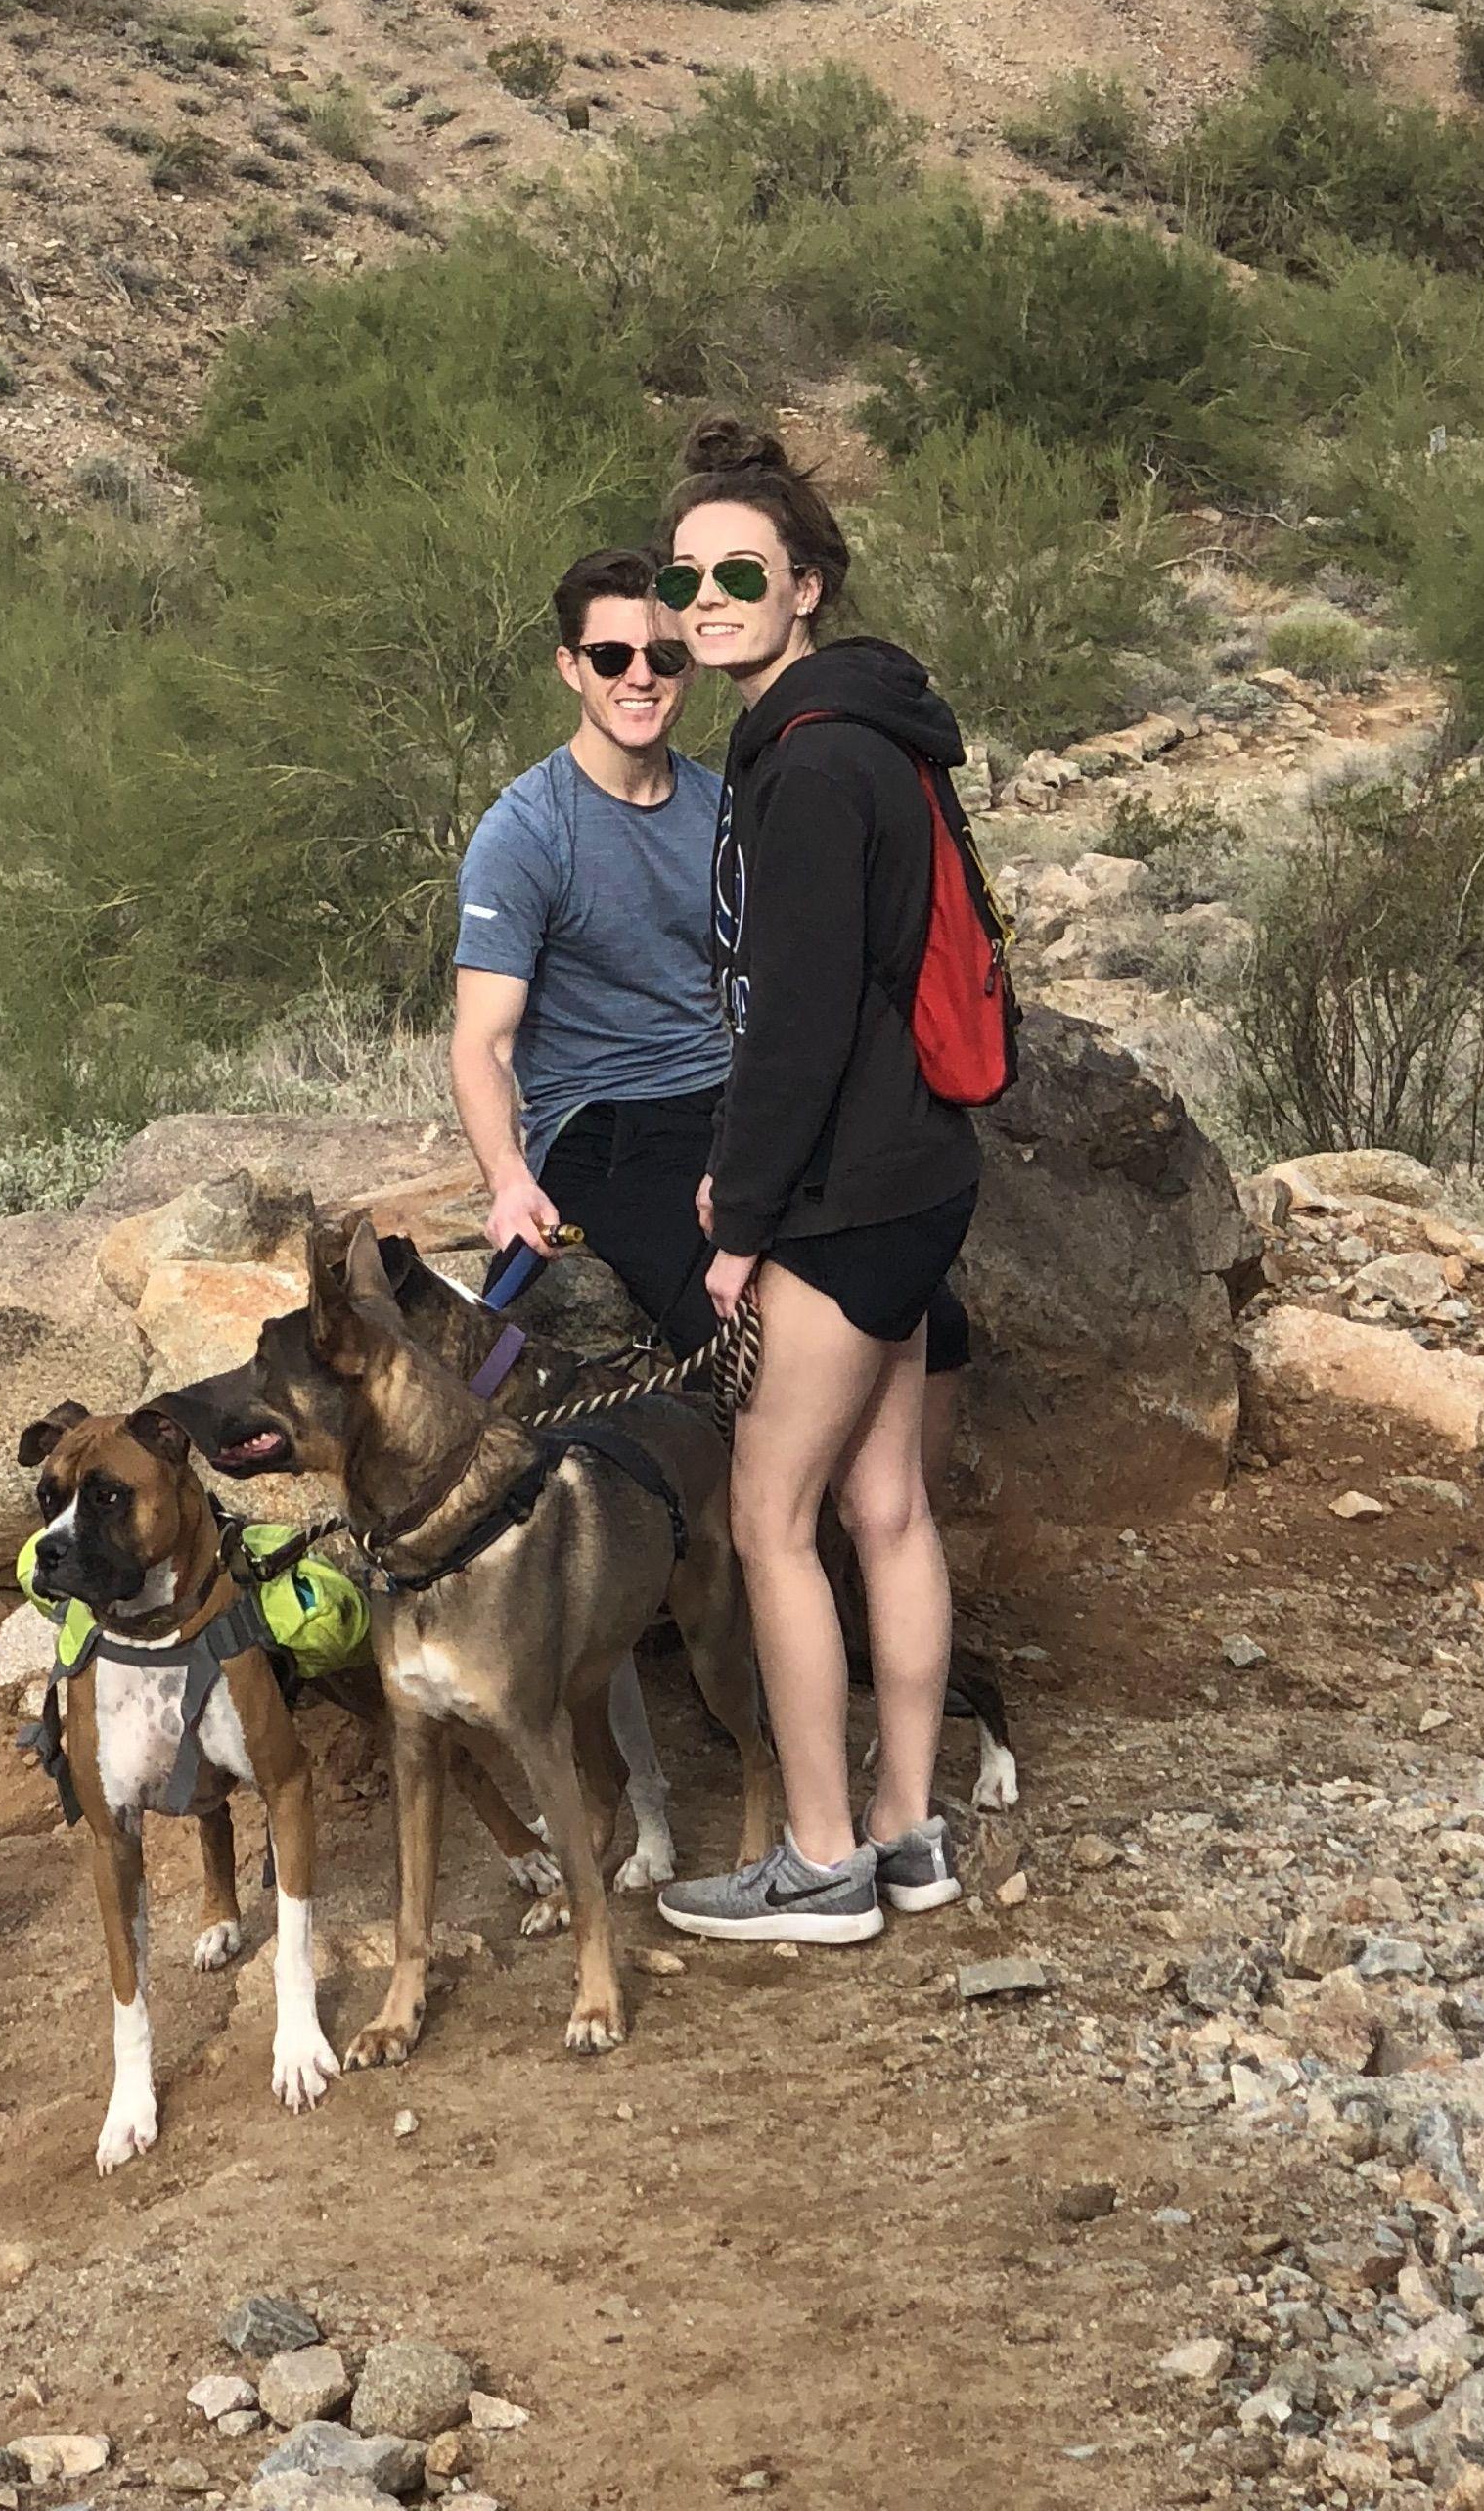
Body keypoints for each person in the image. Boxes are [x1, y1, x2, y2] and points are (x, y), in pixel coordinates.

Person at [649, 418, 981, 1952]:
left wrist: (741, 1221)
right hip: (922, 1171)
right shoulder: (875, 733)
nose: (706, 599)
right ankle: (909, 1832)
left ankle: (822, 1860)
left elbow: (797, 1022)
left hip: (845, 1195)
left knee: (769, 1515)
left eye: (740, 573)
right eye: (685, 576)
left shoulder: (809, 763)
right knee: (886, 1502)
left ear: (806, 588)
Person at [451, 550, 732, 1353]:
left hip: (726, 1101)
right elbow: (483, 1041)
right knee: (731, 1334)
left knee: (918, 1318)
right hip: (605, 1125)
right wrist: (509, 1180)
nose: (639, 677)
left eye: (663, 655)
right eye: (611, 656)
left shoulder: (725, 809)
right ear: (570, 667)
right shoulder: (526, 833)